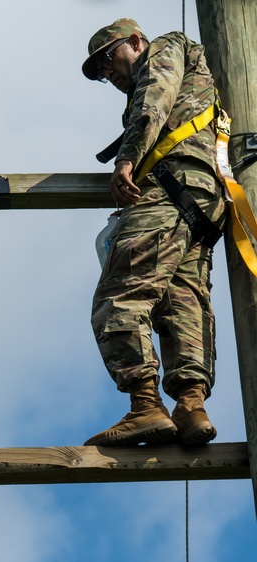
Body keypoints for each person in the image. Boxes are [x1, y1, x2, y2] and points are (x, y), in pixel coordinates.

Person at [83, 18, 224, 448]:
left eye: (107, 59)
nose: (107, 72)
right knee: (183, 302)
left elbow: (154, 98)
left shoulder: (164, 48)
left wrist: (126, 160)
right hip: (201, 201)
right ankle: (190, 406)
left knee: (119, 296)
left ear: (135, 41)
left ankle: (145, 406)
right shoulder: (191, 75)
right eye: (100, 70)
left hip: (167, 191)